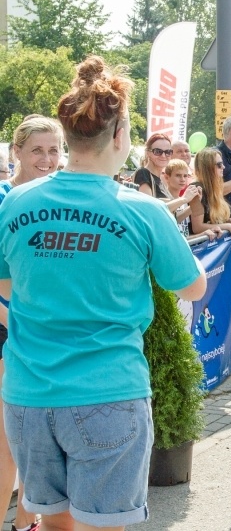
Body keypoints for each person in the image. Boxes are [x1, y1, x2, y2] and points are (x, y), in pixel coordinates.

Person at [0, 55, 207, 531]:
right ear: (118, 135)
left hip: (29, 395)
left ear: (69, 138)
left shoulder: (16, 203)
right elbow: (192, 285)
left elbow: (8, 282)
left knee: (52, 524)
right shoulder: (143, 212)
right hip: (108, 394)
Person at [0, 116, 62, 531]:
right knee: (7, 446)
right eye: (37, 150)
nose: (46, 159)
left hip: (44, 335)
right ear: (16, 152)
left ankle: (26, 524)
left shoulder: (60, 200)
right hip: (10, 330)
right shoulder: (5, 201)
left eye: (54, 150)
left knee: (35, 445)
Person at [189, 147, 231, 239]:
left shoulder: (214, 188)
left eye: (222, 164)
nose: (223, 167)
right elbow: (197, 227)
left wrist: (229, 221)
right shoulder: (197, 188)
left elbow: (211, 220)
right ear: (207, 167)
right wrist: (227, 226)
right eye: (219, 165)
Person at [162, 159, 201, 237]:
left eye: (185, 176)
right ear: (166, 177)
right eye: (178, 175)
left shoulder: (185, 202)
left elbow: (185, 235)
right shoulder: (163, 200)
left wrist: (197, 202)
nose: (182, 179)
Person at [134, 133, 172, 198]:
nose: (163, 156)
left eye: (167, 152)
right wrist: (183, 199)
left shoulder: (160, 180)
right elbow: (148, 205)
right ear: (147, 153)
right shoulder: (143, 173)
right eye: (157, 151)